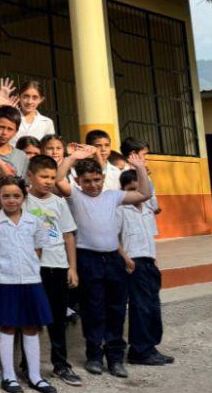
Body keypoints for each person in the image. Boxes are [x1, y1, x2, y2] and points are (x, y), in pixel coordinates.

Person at [56, 146, 152, 378]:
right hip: (87, 259)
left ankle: (115, 358)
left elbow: (144, 195)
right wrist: (72, 158)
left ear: (103, 178)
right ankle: (94, 356)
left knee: (116, 309)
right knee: (94, 310)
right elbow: (59, 180)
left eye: (97, 179)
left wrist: (139, 168)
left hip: (113, 260)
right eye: (87, 181)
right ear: (79, 181)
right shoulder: (75, 196)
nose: (93, 185)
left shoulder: (112, 196)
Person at [0, 176, 56, 393]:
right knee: (8, 326)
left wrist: (30, 267)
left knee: (31, 327)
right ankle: (9, 376)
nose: (11, 200)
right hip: (3, 281)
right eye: (6, 196)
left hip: (30, 280)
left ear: (24, 197)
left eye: (16, 196)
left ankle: (35, 376)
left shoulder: (34, 221)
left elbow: (38, 248)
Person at [23, 155, 82, 386]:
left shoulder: (58, 203)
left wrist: (72, 268)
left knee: (57, 319)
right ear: (30, 176)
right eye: (43, 176)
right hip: (31, 269)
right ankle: (28, 367)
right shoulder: (22, 200)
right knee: (30, 318)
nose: (48, 181)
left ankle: (60, 365)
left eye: (52, 177)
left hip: (57, 266)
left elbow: (68, 236)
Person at [116, 169, 172, 366]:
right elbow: (113, 238)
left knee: (153, 306)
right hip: (133, 263)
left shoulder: (148, 209)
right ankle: (139, 351)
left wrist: (154, 261)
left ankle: (150, 347)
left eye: (139, 189)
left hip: (149, 262)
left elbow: (150, 237)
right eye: (131, 190)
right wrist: (126, 260)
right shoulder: (120, 210)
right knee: (140, 307)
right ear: (123, 191)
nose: (136, 194)